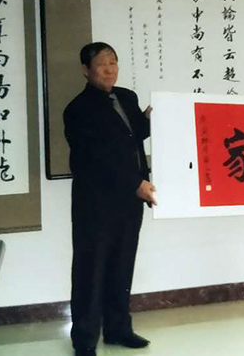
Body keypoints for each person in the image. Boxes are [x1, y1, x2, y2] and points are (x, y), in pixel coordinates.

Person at [64, 42, 157, 356]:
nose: (109, 69)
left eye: (113, 62)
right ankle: (85, 339)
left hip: (129, 202)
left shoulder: (127, 97)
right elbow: (94, 158)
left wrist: (153, 117)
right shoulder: (77, 110)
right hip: (95, 204)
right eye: (102, 64)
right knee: (91, 270)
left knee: (122, 265)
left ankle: (118, 329)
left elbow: (132, 135)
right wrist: (135, 183)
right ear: (86, 70)